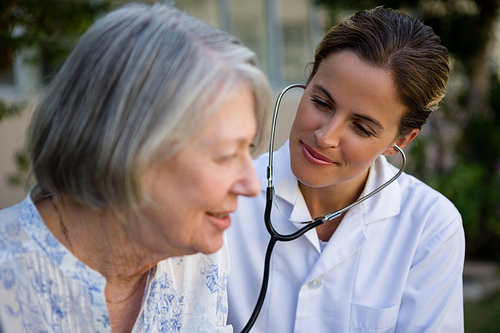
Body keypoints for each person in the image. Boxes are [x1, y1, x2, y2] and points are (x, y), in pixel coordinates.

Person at [0, 3, 270, 332]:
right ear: (129, 149)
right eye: (226, 154)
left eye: (249, 148)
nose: (251, 184)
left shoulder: (198, 257)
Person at [227, 7, 464, 333]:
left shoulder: (430, 227)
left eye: (362, 128)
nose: (325, 137)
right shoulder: (223, 198)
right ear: (307, 83)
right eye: (321, 103)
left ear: (401, 140)